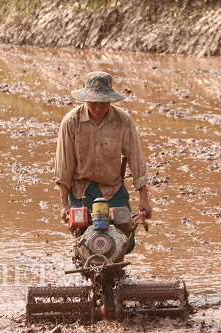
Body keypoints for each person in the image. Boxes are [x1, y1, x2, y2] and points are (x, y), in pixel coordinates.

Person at [54, 71, 152, 253]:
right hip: (80, 191)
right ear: (85, 99)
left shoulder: (123, 121)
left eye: (103, 103)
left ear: (110, 100)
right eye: (93, 102)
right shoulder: (71, 122)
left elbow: (136, 159)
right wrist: (64, 206)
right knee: (84, 241)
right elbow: (63, 166)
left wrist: (144, 199)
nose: (98, 107)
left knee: (125, 241)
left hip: (112, 189)